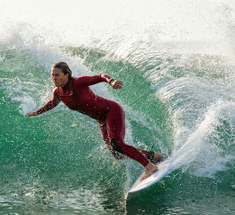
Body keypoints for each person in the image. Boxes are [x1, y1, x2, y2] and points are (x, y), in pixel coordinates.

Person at [26, 61, 163, 180]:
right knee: (116, 153)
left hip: (111, 111)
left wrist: (112, 82)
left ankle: (149, 166)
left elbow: (100, 76)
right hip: (102, 120)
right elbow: (52, 103)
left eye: (57, 75)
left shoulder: (78, 83)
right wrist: (36, 112)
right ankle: (154, 156)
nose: (54, 78)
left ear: (67, 75)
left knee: (117, 143)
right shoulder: (58, 92)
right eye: (52, 75)